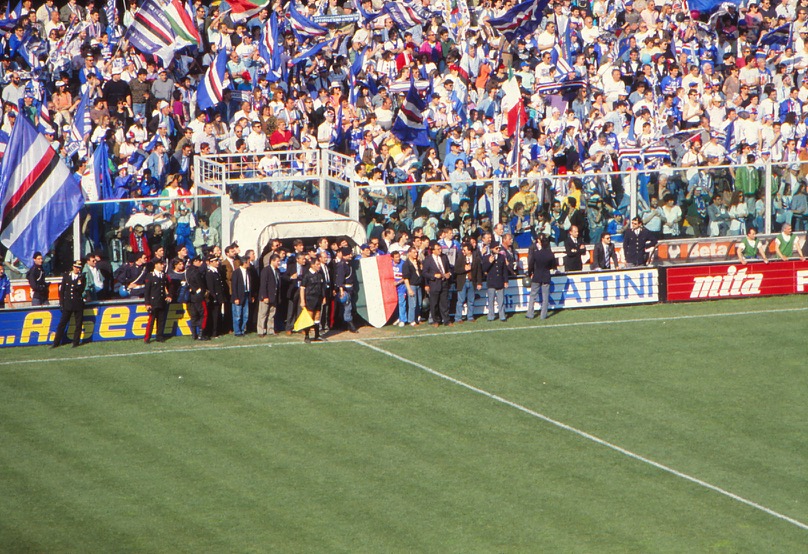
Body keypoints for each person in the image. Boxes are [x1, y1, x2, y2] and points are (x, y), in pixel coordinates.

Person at [51, 260, 86, 348]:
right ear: (73, 267)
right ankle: (56, 342)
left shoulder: (82, 277)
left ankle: (75, 342)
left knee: (78, 324)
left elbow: (81, 290)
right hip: (67, 304)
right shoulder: (66, 276)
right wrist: (62, 303)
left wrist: (79, 283)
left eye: (79, 268)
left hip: (77, 303)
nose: (77, 269)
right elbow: (62, 291)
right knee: (62, 323)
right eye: (75, 267)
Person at [526, 236, 557, 320]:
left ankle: (530, 313)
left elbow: (531, 264)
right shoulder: (551, 254)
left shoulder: (536, 253)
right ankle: (543, 315)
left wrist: (530, 273)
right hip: (546, 276)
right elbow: (553, 266)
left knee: (533, 295)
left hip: (537, 275)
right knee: (545, 297)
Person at [422, 241, 453, 327]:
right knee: (434, 303)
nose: (440, 250)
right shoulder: (428, 260)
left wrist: (449, 274)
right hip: (434, 284)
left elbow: (450, 268)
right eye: (438, 249)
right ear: (433, 250)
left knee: (444, 303)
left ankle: (446, 320)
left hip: (444, 283)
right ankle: (436, 320)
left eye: (440, 248)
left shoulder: (444, 257)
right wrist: (434, 275)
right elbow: (424, 273)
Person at [483, 239, 514, 322]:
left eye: (499, 248)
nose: (498, 250)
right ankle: (491, 316)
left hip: (500, 281)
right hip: (491, 281)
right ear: (492, 249)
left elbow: (504, 270)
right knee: (491, 300)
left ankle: (502, 315)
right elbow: (484, 269)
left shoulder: (501, 257)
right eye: (496, 248)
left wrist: (506, 281)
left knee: (501, 300)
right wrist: (489, 262)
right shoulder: (486, 257)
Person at [144, 258, 171, 343]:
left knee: (161, 320)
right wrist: (147, 303)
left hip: (161, 301)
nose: (162, 266)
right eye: (161, 264)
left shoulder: (163, 276)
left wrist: (168, 295)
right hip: (153, 302)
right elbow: (147, 291)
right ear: (155, 265)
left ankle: (159, 336)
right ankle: (147, 337)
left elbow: (166, 287)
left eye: (163, 264)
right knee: (151, 321)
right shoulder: (150, 276)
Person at [299, 257, 326, 343]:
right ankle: (307, 336)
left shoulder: (319, 275)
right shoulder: (307, 275)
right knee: (309, 317)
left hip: (318, 298)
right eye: (317, 264)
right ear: (312, 265)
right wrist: (302, 300)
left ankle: (317, 335)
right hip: (310, 298)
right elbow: (302, 288)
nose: (319, 266)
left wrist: (323, 297)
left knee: (317, 316)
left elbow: (322, 287)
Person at [453, 242, 482, 323]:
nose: (463, 251)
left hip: (472, 281)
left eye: (464, 250)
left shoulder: (476, 259)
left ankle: (470, 316)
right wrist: (464, 269)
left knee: (471, 300)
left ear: (469, 251)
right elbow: (456, 270)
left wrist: (479, 283)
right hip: (462, 282)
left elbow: (479, 272)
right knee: (460, 301)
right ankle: (458, 317)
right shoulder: (460, 258)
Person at [257, 253, 281, 337]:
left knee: (272, 314)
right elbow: (263, 284)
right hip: (266, 296)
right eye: (277, 261)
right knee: (263, 314)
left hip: (274, 296)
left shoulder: (277, 271)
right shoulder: (266, 270)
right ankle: (261, 330)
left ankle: (270, 330)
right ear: (272, 261)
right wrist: (265, 296)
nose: (279, 263)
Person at [334, 247, 357, 333]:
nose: (351, 255)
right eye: (349, 254)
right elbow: (340, 279)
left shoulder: (348, 264)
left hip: (350, 288)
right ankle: (349, 323)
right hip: (345, 289)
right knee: (347, 306)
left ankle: (343, 324)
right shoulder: (341, 265)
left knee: (346, 307)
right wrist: (341, 290)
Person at [186, 257, 209, 341]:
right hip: (199, 297)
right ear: (195, 261)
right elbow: (201, 285)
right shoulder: (196, 272)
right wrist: (203, 292)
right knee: (204, 314)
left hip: (192, 296)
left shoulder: (188, 271)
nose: (201, 263)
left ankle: (194, 334)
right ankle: (201, 333)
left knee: (194, 315)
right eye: (199, 261)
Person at [231, 255, 253, 337]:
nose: (249, 263)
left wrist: (251, 296)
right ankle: (237, 331)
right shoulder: (236, 272)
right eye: (248, 262)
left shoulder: (248, 272)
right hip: (239, 296)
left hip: (246, 294)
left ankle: (243, 329)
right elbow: (234, 286)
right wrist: (236, 297)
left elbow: (249, 284)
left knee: (245, 315)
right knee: (237, 315)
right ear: (244, 262)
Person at [402, 246, 423, 327]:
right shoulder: (406, 264)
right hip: (412, 285)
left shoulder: (417, 262)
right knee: (413, 304)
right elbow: (406, 278)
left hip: (418, 284)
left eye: (416, 252)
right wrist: (409, 289)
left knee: (419, 303)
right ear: (409, 253)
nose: (416, 254)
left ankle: (417, 317)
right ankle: (411, 320)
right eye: (414, 252)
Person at [204, 255, 225, 339]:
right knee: (214, 315)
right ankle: (213, 332)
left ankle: (217, 331)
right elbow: (211, 287)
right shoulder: (209, 273)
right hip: (214, 297)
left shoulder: (216, 271)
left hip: (219, 296)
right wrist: (214, 297)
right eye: (215, 261)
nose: (217, 263)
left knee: (218, 314)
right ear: (211, 262)